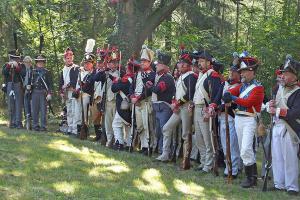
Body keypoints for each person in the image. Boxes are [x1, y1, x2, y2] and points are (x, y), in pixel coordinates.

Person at [223, 56, 264, 188]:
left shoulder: (258, 88)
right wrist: (227, 95)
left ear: (251, 71)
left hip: (250, 120)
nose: (241, 73)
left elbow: (248, 102)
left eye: (244, 71)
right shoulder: (241, 86)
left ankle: (251, 177)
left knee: (246, 148)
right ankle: (251, 177)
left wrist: (232, 97)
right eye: (241, 71)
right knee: (242, 149)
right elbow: (228, 92)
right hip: (238, 119)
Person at [267, 57, 300, 195]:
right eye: (283, 73)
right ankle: (279, 183)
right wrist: (270, 107)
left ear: (295, 76)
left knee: (290, 158)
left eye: (286, 73)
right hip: (277, 125)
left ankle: (292, 186)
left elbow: (296, 112)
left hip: (290, 128)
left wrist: (278, 111)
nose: (283, 76)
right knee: (277, 156)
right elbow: (272, 106)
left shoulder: (298, 91)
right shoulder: (279, 89)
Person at [160, 53, 197, 169]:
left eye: (180, 64)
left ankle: (186, 159)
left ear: (186, 65)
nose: (178, 66)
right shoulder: (181, 76)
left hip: (186, 108)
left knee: (186, 134)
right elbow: (178, 93)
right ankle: (165, 154)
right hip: (179, 108)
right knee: (166, 128)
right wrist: (175, 103)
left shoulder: (191, 76)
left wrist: (177, 103)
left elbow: (189, 94)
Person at [191, 51, 223, 173]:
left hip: (205, 109)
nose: (200, 63)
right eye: (199, 61)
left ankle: (209, 165)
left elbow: (216, 94)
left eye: (202, 61)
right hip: (197, 108)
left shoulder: (213, 75)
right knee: (199, 138)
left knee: (207, 138)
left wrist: (210, 108)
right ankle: (203, 161)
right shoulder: (201, 75)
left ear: (209, 63)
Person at [144, 50, 175, 159]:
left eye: (159, 64)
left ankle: (164, 152)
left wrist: (150, 86)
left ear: (164, 66)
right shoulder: (159, 76)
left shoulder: (167, 78)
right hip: (158, 107)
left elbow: (158, 89)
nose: (156, 66)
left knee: (164, 131)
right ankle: (159, 150)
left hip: (164, 107)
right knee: (158, 131)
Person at [130, 45, 156, 155]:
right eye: (142, 61)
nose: (142, 63)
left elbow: (149, 90)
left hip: (145, 101)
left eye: (145, 61)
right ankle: (143, 145)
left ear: (149, 62)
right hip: (136, 102)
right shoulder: (137, 74)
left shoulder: (153, 75)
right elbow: (132, 87)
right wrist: (132, 96)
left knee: (147, 125)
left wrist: (138, 98)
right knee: (140, 126)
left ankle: (148, 146)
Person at [218, 56, 241, 178]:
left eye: (234, 71)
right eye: (231, 71)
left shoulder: (239, 86)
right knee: (224, 143)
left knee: (232, 144)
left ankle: (234, 169)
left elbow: (233, 101)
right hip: (222, 116)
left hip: (231, 116)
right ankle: (228, 167)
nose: (231, 73)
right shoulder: (227, 84)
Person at [111, 58, 139, 150]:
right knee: (128, 125)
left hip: (123, 105)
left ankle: (119, 143)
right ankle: (128, 144)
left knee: (116, 124)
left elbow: (114, 88)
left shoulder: (126, 79)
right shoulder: (136, 78)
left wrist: (116, 81)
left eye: (128, 67)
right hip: (131, 105)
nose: (126, 68)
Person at [59, 48, 79, 135]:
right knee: (69, 111)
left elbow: (75, 81)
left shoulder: (76, 68)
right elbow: (61, 81)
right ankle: (70, 128)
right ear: (65, 59)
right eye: (67, 58)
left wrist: (67, 86)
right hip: (66, 93)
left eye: (70, 58)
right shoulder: (63, 69)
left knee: (75, 111)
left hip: (74, 92)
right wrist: (61, 92)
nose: (69, 59)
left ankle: (75, 130)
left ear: (72, 58)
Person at [2, 49, 24, 129]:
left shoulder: (21, 65)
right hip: (9, 85)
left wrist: (17, 67)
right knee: (11, 104)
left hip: (18, 85)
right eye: (13, 58)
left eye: (16, 58)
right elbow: (4, 73)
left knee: (18, 104)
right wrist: (9, 66)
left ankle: (18, 123)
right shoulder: (6, 65)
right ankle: (11, 122)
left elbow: (22, 74)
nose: (15, 60)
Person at [30, 55, 53, 131]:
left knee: (43, 111)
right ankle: (35, 126)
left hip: (43, 93)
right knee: (34, 110)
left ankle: (43, 126)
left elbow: (50, 84)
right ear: (36, 63)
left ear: (44, 63)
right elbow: (29, 82)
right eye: (38, 62)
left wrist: (49, 93)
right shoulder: (33, 72)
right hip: (34, 93)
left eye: (42, 62)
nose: (40, 63)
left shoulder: (47, 72)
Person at [22, 56, 33, 130]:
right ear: (24, 63)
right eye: (26, 62)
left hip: (31, 91)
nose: (27, 63)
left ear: (31, 63)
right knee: (25, 106)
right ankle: (26, 122)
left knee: (31, 107)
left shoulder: (33, 70)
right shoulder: (22, 70)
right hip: (23, 90)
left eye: (29, 62)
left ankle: (31, 123)